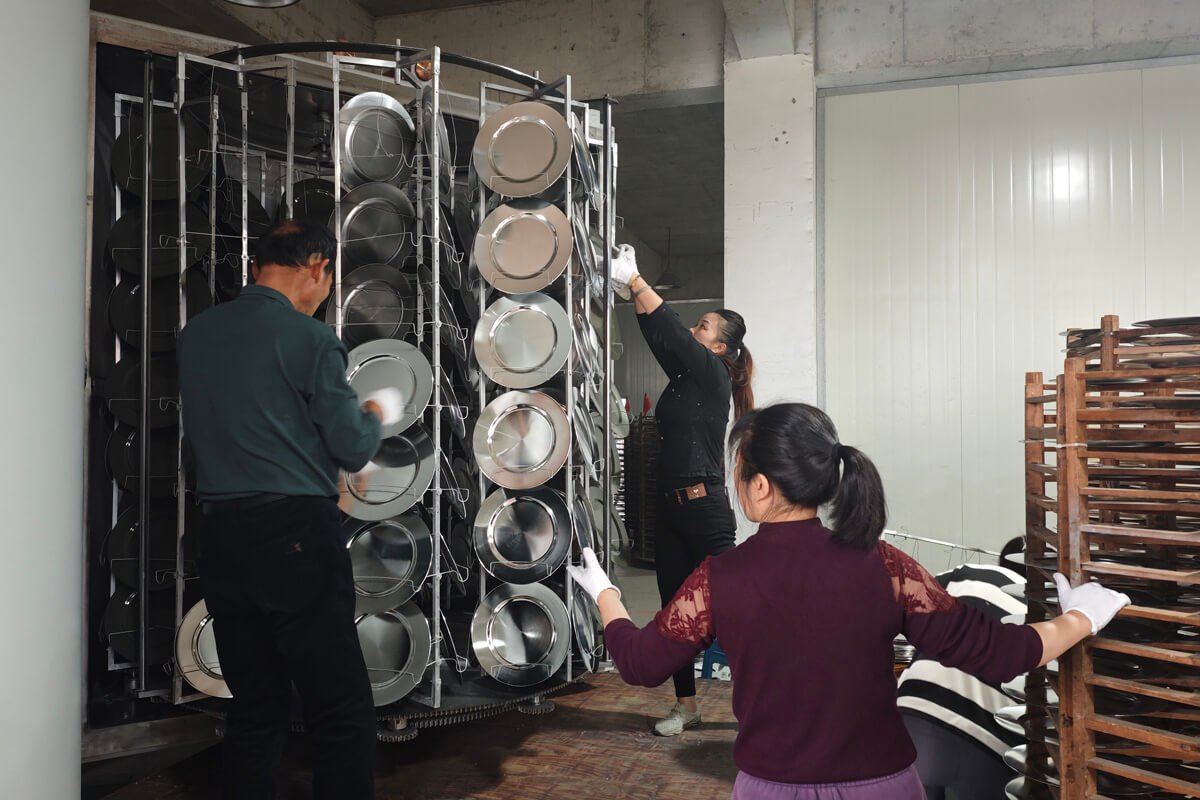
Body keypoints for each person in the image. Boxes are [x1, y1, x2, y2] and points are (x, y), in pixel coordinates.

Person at [568, 403, 1130, 799]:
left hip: (771, 791)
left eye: (737, 472)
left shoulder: (719, 579)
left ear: (760, 485)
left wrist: (605, 593)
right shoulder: (885, 566)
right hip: (884, 787)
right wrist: (1083, 615)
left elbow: (639, 663)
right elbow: (1004, 654)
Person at [178, 220, 405, 799]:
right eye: (327, 282)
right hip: (294, 535)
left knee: (256, 704)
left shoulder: (197, 335)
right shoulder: (309, 340)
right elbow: (351, 447)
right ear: (317, 267)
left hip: (220, 536)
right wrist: (374, 412)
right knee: (339, 705)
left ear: (257, 267)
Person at [610, 245, 754, 735]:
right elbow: (661, 336)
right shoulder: (683, 378)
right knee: (675, 612)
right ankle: (687, 706)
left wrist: (637, 280)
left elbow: (671, 332)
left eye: (704, 327)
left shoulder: (713, 375)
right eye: (697, 324)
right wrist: (633, 295)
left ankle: (769, 703)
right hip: (670, 511)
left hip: (704, 509)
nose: (695, 329)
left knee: (735, 610)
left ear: (720, 348)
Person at [897, 538, 1029, 799]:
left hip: (914, 713)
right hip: (986, 742)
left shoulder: (968, 574)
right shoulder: (1038, 610)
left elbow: (908, 607)